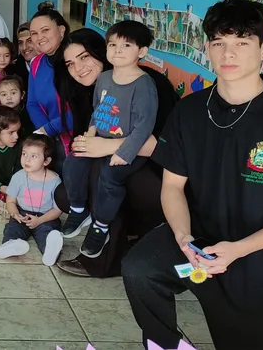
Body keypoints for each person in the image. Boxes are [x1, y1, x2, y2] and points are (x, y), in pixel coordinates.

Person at [122, 0, 263, 350]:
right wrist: (183, 237)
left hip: (257, 256)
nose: (229, 54)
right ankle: (165, 344)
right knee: (139, 270)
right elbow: (172, 187)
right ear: (207, 48)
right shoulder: (190, 111)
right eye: (219, 43)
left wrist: (239, 249)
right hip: (198, 240)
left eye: (242, 43)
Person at [54, 28, 178, 278]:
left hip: (162, 176)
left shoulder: (147, 84)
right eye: (70, 63)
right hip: (123, 165)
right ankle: (122, 238)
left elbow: (162, 146)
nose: (78, 68)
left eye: (84, 57)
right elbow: (95, 127)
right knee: (65, 190)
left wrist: (106, 146)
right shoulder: (96, 86)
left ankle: (102, 262)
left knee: (105, 172)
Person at [0, 134, 64, 267]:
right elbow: (10, 201)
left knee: (48, 232)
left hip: (46, 216)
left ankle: (50, 250)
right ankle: (12, 244)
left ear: (46, 161)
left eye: (34, 156)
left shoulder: (55, 180)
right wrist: (15, 214)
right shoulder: (18, 177)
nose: (27, 159)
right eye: (24, 154)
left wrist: (40, 220)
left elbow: (57, 209)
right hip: (22, 213)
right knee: (13, 228)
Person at [26, 7, 71, 165]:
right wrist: (45, 131)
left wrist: (49, 130)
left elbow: (82, 108)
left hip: (78, 139)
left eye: (45, 30)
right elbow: (32, 103)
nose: (40, 37)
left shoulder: (74, 61)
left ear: (61, 30)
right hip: (50, 139)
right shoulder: (37, 63)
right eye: (34, 33)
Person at [0, 75, 34, 139]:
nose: (9, 98)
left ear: (22, 94)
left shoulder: (30, 113)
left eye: (13, 93)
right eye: (4, 94)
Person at [5, 22, 39, 91]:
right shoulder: (11, 73)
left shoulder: (53, 68)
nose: (24, 47)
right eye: (20, 43)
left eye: (30, 41)